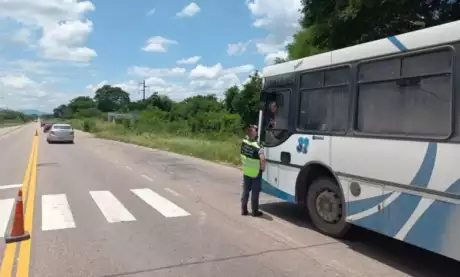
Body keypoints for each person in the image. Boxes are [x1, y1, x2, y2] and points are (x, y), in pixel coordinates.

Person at [240, 124, 265, 217]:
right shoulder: (258, 146)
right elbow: (262, 159)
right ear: (255, 134)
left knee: (245, 191)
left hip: (246, 171)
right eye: (256, 130)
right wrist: (263, 168)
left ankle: (244, 210)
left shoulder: (244, 142)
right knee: (255, 192)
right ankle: (255, 211)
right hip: (255, 173)